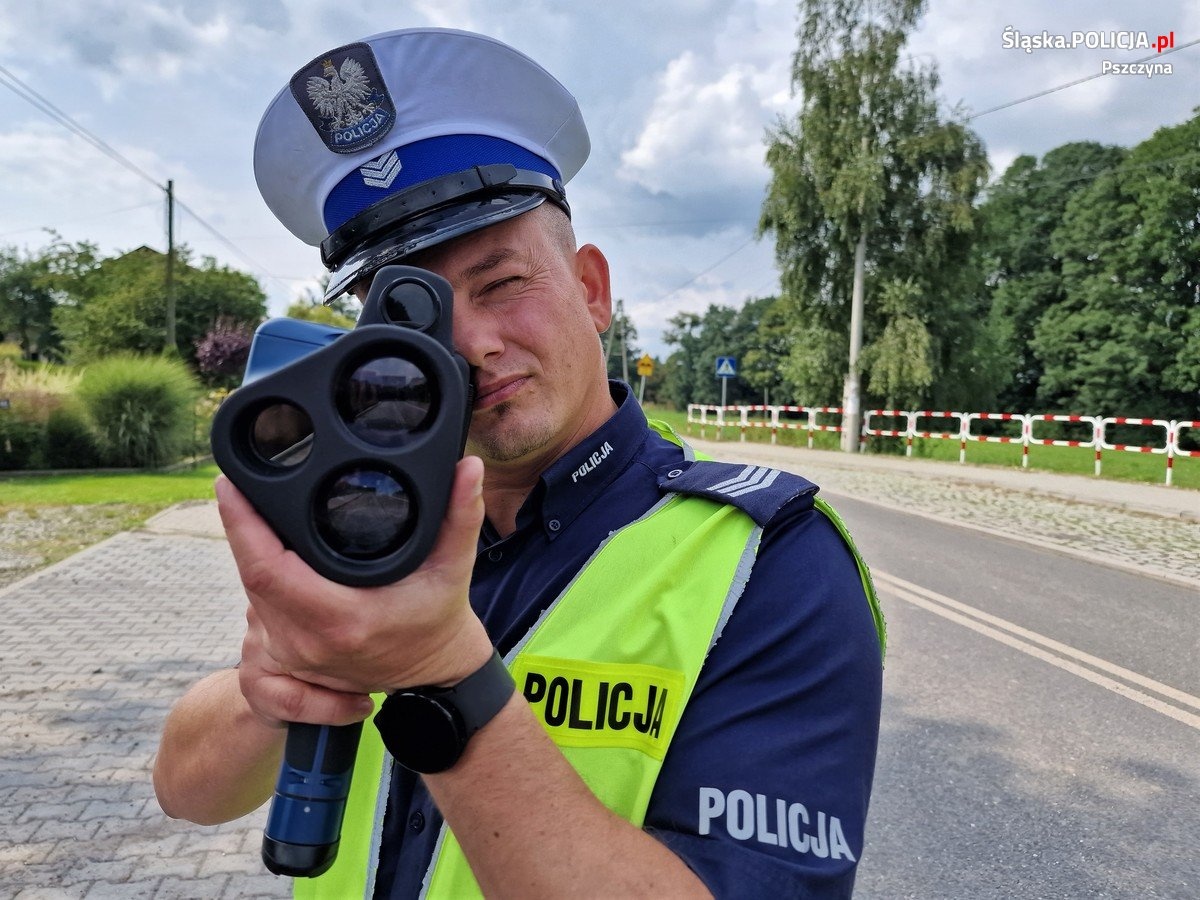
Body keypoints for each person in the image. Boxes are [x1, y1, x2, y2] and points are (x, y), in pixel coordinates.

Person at [153, 27, 886, 899]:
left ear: (591, 290)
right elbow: (185, 792)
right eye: (414, 317)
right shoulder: (366, 515)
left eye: (502, 283)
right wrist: (271, 689)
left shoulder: (767, 561)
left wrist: (445, 676)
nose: (471, 345)